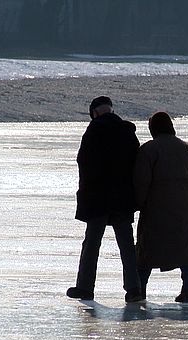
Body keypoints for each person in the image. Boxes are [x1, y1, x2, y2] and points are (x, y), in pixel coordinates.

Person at [67, 96, 144, 302]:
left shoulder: (94, 130)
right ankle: (134, 289)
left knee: (92, 243)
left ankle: (85, 287)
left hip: (98, 197)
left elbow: (84, 162)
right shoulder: (127, 132)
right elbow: (137, 164)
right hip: (122, 198)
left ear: (95, 112)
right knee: (126, 245)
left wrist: (85, 195)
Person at [133, 112, 188, 303]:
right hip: (184, 210)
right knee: (186, 251)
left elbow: (141, 182)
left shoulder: (148, 150)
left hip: (155, 211)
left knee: (146, 252)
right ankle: (187, 290)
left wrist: (140, 203)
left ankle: (140, 290)